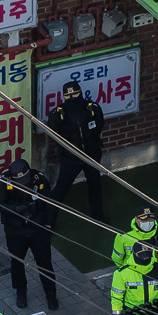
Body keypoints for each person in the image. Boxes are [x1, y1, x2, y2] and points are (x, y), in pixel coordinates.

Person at [0, 147, 59, 310]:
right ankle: (20, 291)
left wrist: (49, 224)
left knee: (45, 263)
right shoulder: (4, 181)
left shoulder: (39, 179)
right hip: (15, 231)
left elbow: (50, 204)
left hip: (38, 229)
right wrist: (16, 210)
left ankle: (51, 293)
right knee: (16, 263)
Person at [48, 79, 106, 218]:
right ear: (64, 96)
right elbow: (53, 132)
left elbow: (99, 126)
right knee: (61, 189)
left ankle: (97, 215)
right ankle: (49, 219)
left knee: (95, 184)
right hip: (70, 158)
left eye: (75, 94)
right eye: (68, 96)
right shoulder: (57, 113)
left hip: (91, 155)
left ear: (80, 93)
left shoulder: (93, 108)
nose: (72, 98)